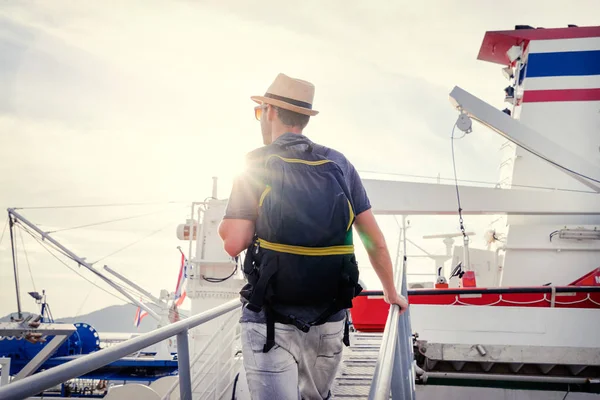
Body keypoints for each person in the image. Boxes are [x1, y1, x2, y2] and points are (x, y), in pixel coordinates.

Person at [218, 73, 408, 400]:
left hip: (269, 321)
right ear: (304, 119)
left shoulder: (255, 163)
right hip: (329, 318)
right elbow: (373, 239)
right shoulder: (338, 163)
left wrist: (225, 227)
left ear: (271, 112)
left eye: (260, 111)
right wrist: (391, 292)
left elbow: (234, 242)